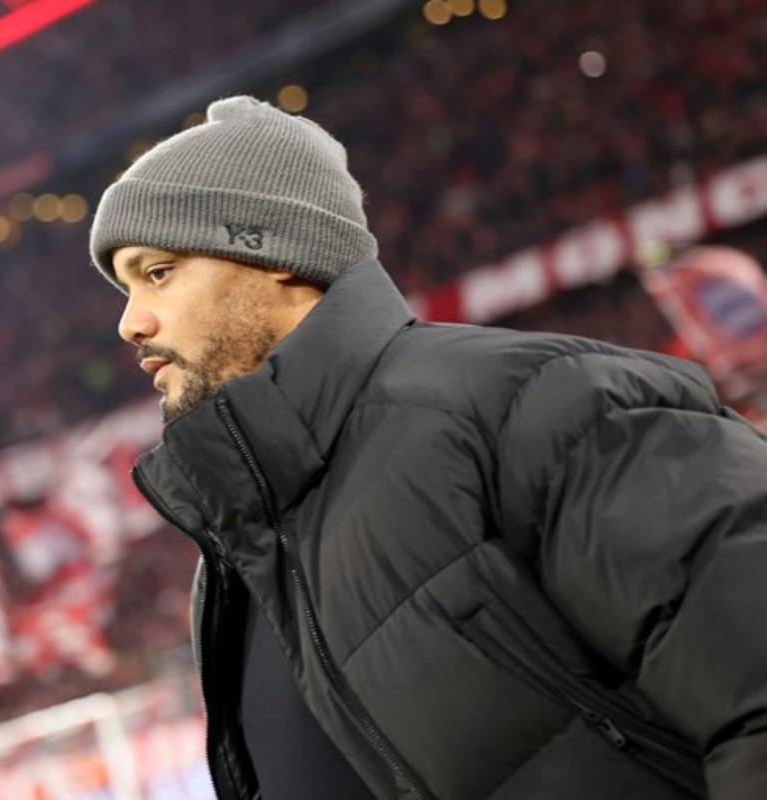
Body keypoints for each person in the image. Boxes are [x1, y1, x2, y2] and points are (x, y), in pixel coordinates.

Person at [86, 95, 767, 799]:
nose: (130, 324)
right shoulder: (231, 571)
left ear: (274, 255)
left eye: (157, 271)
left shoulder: (539, 407)